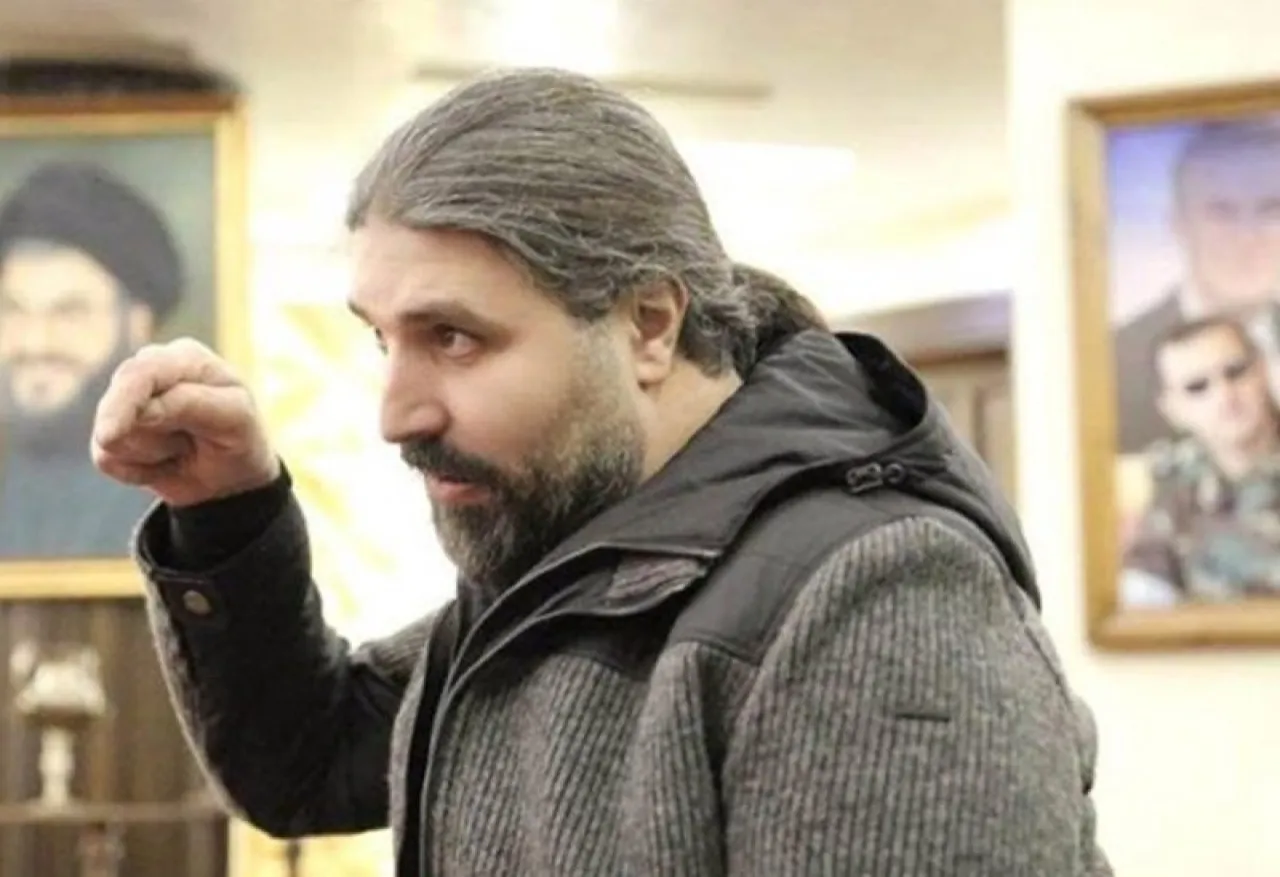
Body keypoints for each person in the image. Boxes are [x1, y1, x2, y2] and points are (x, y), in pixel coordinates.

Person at [92, 68, 1110, 876]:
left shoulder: (873, 606)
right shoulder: (582, 561)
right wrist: (224, 513)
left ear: (650, 325)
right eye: (382, 339)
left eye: (453, 337)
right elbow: (309, 763)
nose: (396, 414)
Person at [0, 160, 183, 558]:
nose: (35, 343)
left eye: (70, 313)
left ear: (137, 323)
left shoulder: (179, 506)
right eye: (14, 310)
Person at [1114, 120, 1280, 454]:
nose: (1248, 236)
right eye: (1222, 213)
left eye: (1270, 209)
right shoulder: (1119, 356)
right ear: (1178, 223)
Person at [1122, 316, 1280, 606]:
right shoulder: (1171, 479)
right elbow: (1145, 596)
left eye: (1236, 372)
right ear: (1172, 409)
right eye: (1197, 387)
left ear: (1262, 369)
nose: (1225, 395)